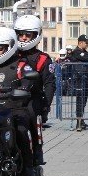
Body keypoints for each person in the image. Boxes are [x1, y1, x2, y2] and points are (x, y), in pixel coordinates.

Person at [0, 27, 36, 176]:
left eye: (0, 48)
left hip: (15, 107)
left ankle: (28, 169)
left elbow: (29, 82)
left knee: (20, 130)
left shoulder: (21, 65)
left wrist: (22, 89)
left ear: (9, 47)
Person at [14, 14, 56, 165]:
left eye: (28, 35)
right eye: (20, 34)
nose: (24, 38)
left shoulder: (43, 59)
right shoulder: (10, 54)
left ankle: (37, 152)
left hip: (31, 98)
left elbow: (50, 84)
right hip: (9, 97)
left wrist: (46, 106)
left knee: (32, 115)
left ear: (36, 35)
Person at [70, 35, 88, 131]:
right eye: (86, 43)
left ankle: (81, 121)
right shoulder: (76, 52)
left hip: (85, 79)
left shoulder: (84, 52)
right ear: (80, 43)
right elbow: (86, 58)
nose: (87, 44)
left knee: (83, 101)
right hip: (79, 79)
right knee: (80, 101)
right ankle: (78, 123)